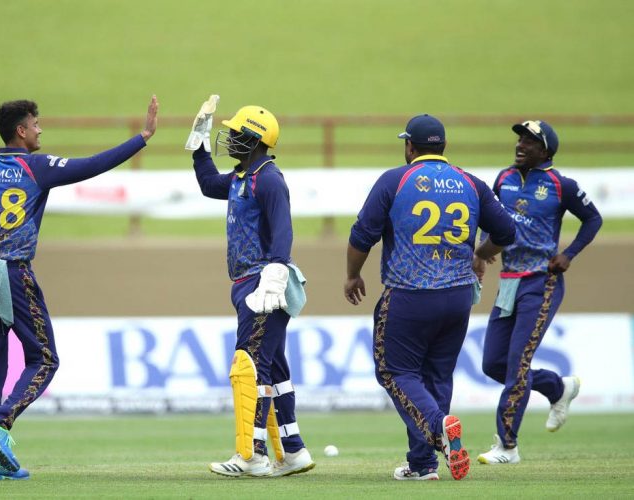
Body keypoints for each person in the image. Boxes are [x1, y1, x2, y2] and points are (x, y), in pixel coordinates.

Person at [0, 96, 158, 480]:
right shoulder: (36, 167)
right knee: (45, 359)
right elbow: (92, 166)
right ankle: (0, 421)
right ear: (21, 131)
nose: (41, 130)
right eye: (36, 124)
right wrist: (142, 137)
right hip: (13, 271)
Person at [344, 114, 516, 481]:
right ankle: (423, 465)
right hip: (457, 297)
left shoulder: (395, 179)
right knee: (436, 376)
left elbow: (363, 235)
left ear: (409, 146)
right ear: (444, 146)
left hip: (409, 295)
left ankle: (439, 429)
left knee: (394, 371)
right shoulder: (470, 182)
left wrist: (353, 274)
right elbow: (506, 231)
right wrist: (481, 255)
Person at [187, 98, 315, 478]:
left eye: (238, 134)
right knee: (274, 369)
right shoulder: (242, 178)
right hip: (247, 283)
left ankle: (252, 455)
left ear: (256, 141)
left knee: (251, 367)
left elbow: (283, 230)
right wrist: (200, 142)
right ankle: (293, 452)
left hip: (263, 285)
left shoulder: (269, 179)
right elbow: (209, 183)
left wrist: (274, 272)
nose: (232, 138)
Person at [473, 120, 602, 465]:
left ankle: (507, 446)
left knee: (517, 365)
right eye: (519, 139)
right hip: (509, 283)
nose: (520, 145)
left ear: (545, 151)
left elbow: (593, 219)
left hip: (541, 283)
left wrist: (568, 254)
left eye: (529, 141)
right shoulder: (503, 179)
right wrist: (483, 251)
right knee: (493, 363)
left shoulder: (562, 185)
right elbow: (488, 219)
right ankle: (558, 388)